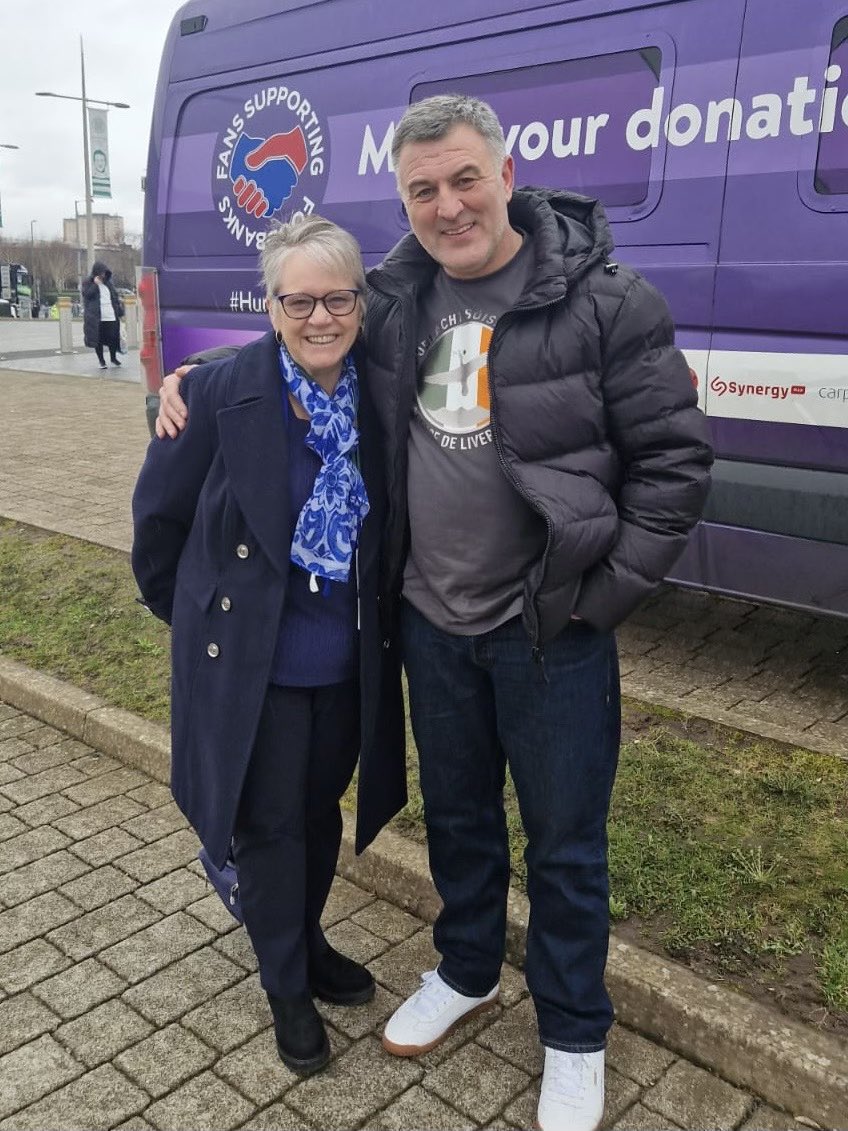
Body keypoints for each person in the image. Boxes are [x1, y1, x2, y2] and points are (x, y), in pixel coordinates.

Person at [156, 95, 713, 1130]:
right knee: (456, 823)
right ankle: (465, 971)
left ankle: (573, 1031)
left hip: (553, 630)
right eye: (422, 190)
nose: (446, 205)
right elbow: (299, 326)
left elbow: (673, 461)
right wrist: (197, 374)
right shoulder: (398, 294)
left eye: (463, 180)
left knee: (562, 843)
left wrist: (604, 594)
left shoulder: (605, 301)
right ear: (403, 204)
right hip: (429, 623)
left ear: (505, 175)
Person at [132, 216, 406, 1076]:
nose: (320, 317)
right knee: (269, 823)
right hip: (259, 671)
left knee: (318, 814)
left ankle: (305, 937)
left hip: (346, 661)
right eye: (299, 300)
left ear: (360, 302)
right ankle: (286, 981)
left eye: (336, 298)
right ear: (271, 304)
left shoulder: (381, 392)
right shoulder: (218, 391)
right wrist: (213, 625)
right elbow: (158, 530)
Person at [82, 261, 124, 369]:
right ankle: (101, 361)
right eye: (101, 273)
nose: (103, 275)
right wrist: (95, 285)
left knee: (113, 337)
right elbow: (87, 295)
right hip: (97, 317)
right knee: (98, 339)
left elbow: (114, 297)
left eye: (105, 273)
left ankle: (113, 358)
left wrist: (119, 311)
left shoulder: (109, 283)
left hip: (110, 315)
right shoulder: (88, 282)